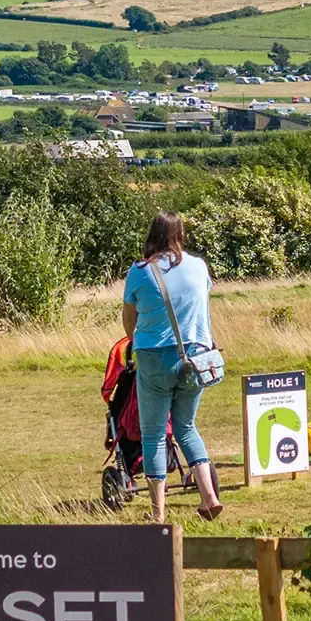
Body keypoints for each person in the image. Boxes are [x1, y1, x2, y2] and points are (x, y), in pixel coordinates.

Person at [121, 212, 223, 520]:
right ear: (180, 234)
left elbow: (130, 322)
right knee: (187, 426)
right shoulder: (198, 266)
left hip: (154, 356)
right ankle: (209, 497)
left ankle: (158, 513)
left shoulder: (139, 271)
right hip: (196, 358)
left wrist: (138, 339)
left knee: (153, 433)